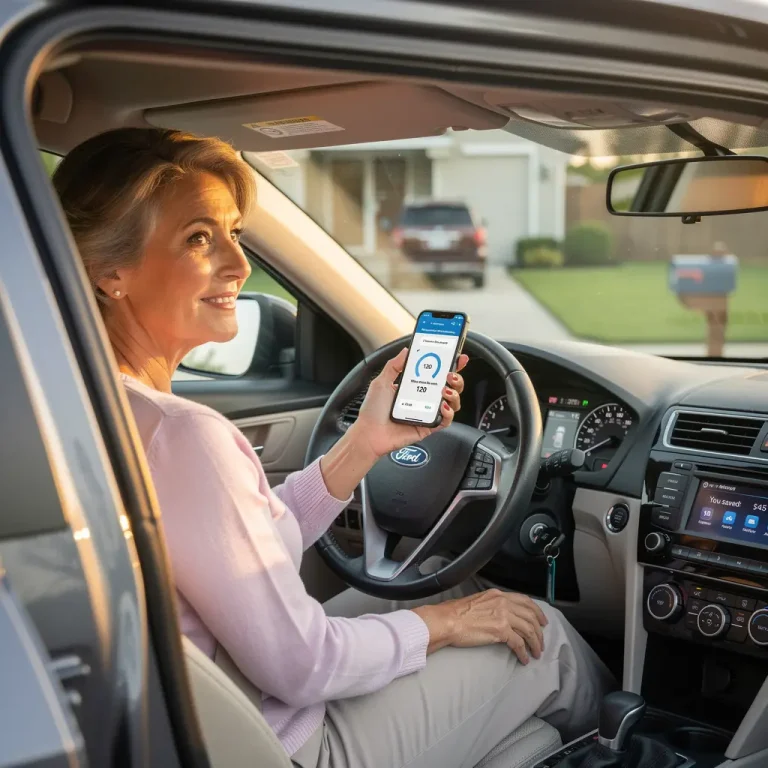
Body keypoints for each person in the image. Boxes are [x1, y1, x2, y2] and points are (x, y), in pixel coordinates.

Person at [53, 128, 614, 768]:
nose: (239, 265)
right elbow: (301, 664)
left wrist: (365, 444)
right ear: (109, 274)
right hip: (285, 747)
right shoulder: (185, 436)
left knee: (434, 587)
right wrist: (449, 626)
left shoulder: (84, 406)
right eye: (199, 239)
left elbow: (236, 551)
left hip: (198, 724)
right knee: (544, 639)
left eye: (234, 233)